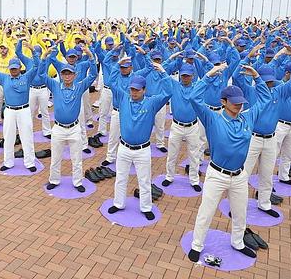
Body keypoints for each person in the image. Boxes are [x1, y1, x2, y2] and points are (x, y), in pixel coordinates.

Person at [186, 63, 271, 262]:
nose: (238, 105)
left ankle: (238, 242)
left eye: (240, 102)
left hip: (239, 175)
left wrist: (257, 77)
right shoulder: (212, 118)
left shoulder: (248, 117)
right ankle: (197, 245)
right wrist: (208, 75)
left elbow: (266, 99)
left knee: (240, 213)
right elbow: (193, 98)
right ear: (223, 102)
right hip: (217, 174)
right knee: (206, 212)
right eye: (233, 102)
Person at [234, 45, 291, 216]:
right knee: (243, 174)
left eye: (271, 80)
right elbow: (236, 76)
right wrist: (248, 57)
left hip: (271, 138)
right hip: (252, 138)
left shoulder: (279, 91)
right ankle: (237, 205)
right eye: (265, 80)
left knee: (266, 173)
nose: (269, 83)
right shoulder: (250, 91)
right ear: (259, 79)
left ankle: (264, 203)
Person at [107, 63, 171, 221]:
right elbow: (110, 81)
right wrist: (118, 63)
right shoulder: (123, 98)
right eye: (132, 89)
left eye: (137, 89)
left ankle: (146, 207)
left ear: (144, 90)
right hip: (124, 148)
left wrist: (162, 71)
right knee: (121, 177)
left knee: (144, 179)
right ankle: (118, 203)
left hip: (142, 150)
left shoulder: (152, 102)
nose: (133, 92)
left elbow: (170, 91)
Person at [38, 44, 98, 192]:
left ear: (74, 75)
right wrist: (44, 57)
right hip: (58, 128)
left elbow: (93, 75)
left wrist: (90, 56)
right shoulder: (55, 85)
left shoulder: (79, 86)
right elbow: (41, 75)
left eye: (69, 74)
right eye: (64, 74)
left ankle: (77, 182)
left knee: (76, 158)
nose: (67, 76)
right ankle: (54, 180)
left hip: (74, 129)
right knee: (56, 158)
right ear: (61, 75)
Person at [0, 46, 40, 172]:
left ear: (20, 68)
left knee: (26, 136)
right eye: (11, 68)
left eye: (15, 68)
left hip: (24, 110)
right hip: (10, 111)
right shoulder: (4, 78)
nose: (13, 70)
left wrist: (34, 52)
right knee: (8, 136)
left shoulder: (26, 77)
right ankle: (8, 161)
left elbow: (36, 67)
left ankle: (29, 162)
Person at [161, 63, 202, 191]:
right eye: (183, 75)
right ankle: (169, 176)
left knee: (194, 154)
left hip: (193, 127)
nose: (185, 78)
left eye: (187, 76)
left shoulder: (196, 88)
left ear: (192, 76)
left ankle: (194, 180)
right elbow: (163, 73)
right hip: (177, 126)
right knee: (172, 152)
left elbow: (207, 79)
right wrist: (165, 64)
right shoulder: (175, 85)